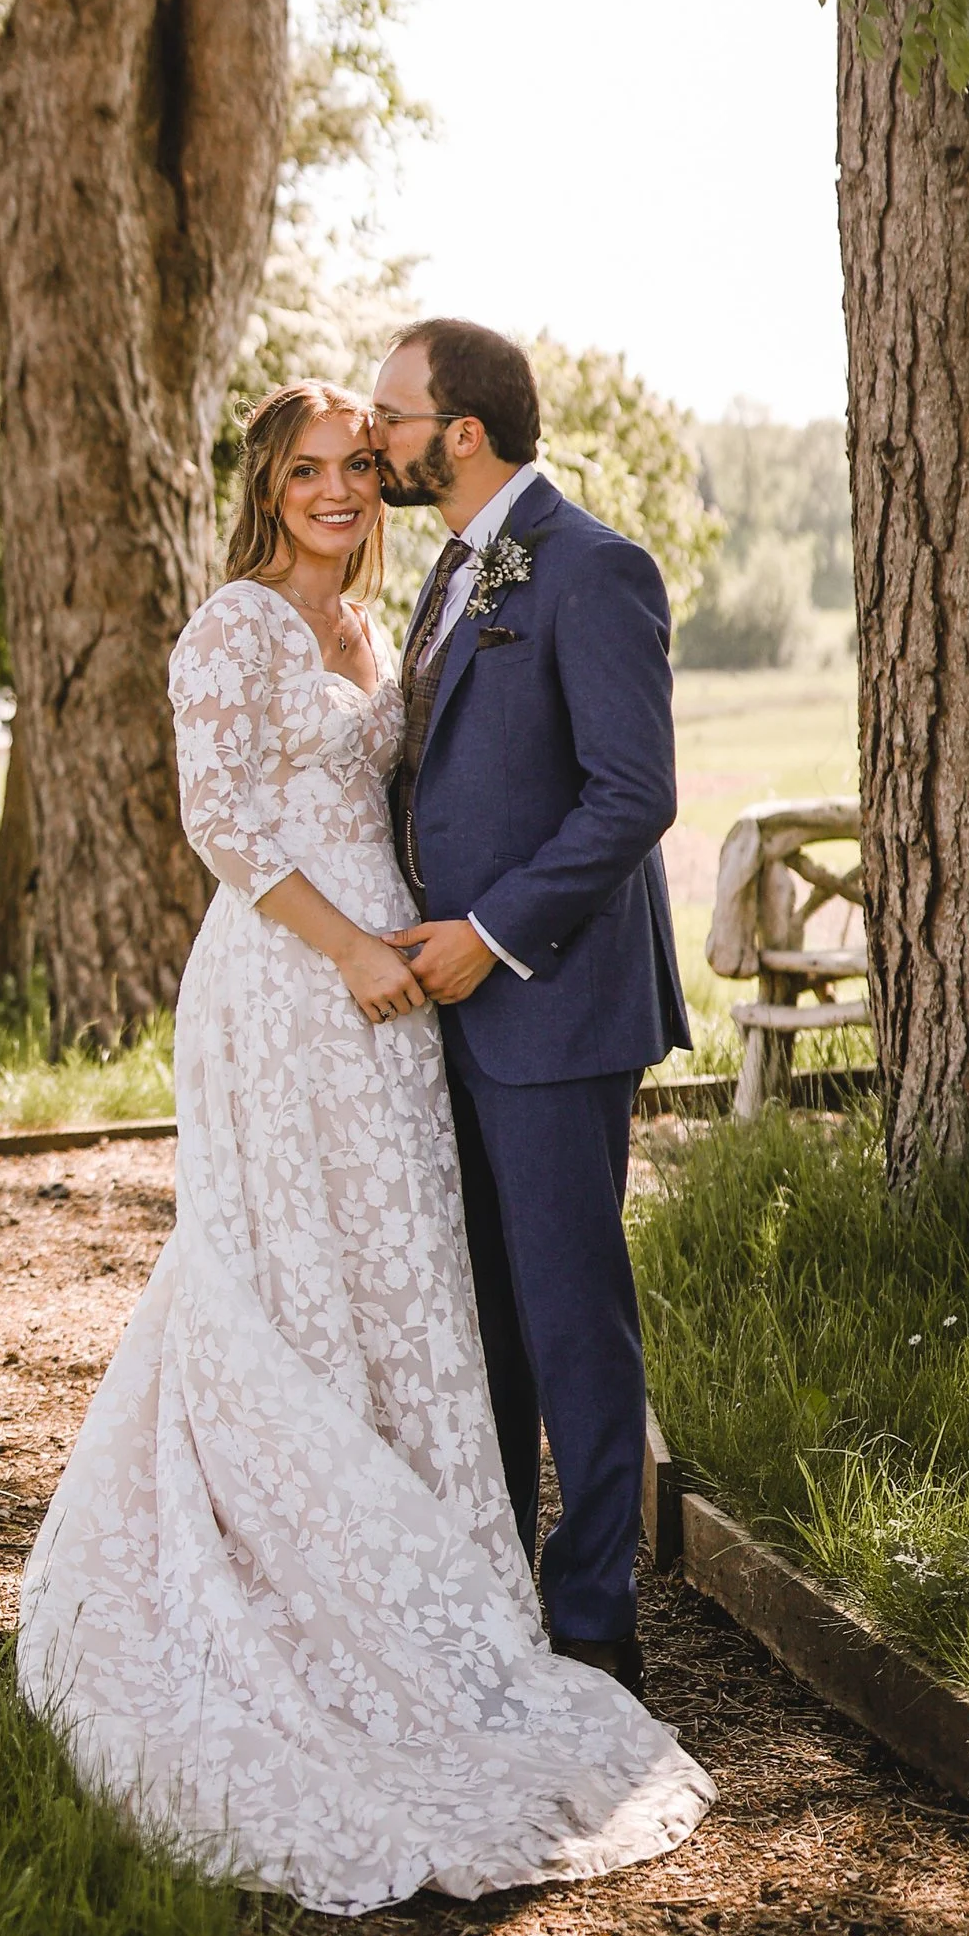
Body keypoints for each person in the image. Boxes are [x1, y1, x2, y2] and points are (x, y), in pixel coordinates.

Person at [15, 378, 711, 1916]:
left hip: (411, 998)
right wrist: (346, 952)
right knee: (285, 1274)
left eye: (362, 453)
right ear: (267, 487)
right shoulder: (238, 625)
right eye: (314, 465)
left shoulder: (395, 620)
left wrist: (421, 954)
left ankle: (471, 1586)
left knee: (406, 1294)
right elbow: (219, 821)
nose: (345, 482)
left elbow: (567, 787)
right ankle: (288, 1568)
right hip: (296, 982)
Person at [373, 317, 688, 1688]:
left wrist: (490, 936)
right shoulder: (448, 572)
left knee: (571, 1315)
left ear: (461, 430)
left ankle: (597, 1618)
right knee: (483, 1310)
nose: (374, 434)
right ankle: (500, 1579)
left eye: (392, 412)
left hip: (551, 1003)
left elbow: (633, 792)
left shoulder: (592, 568)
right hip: (447, 1005)